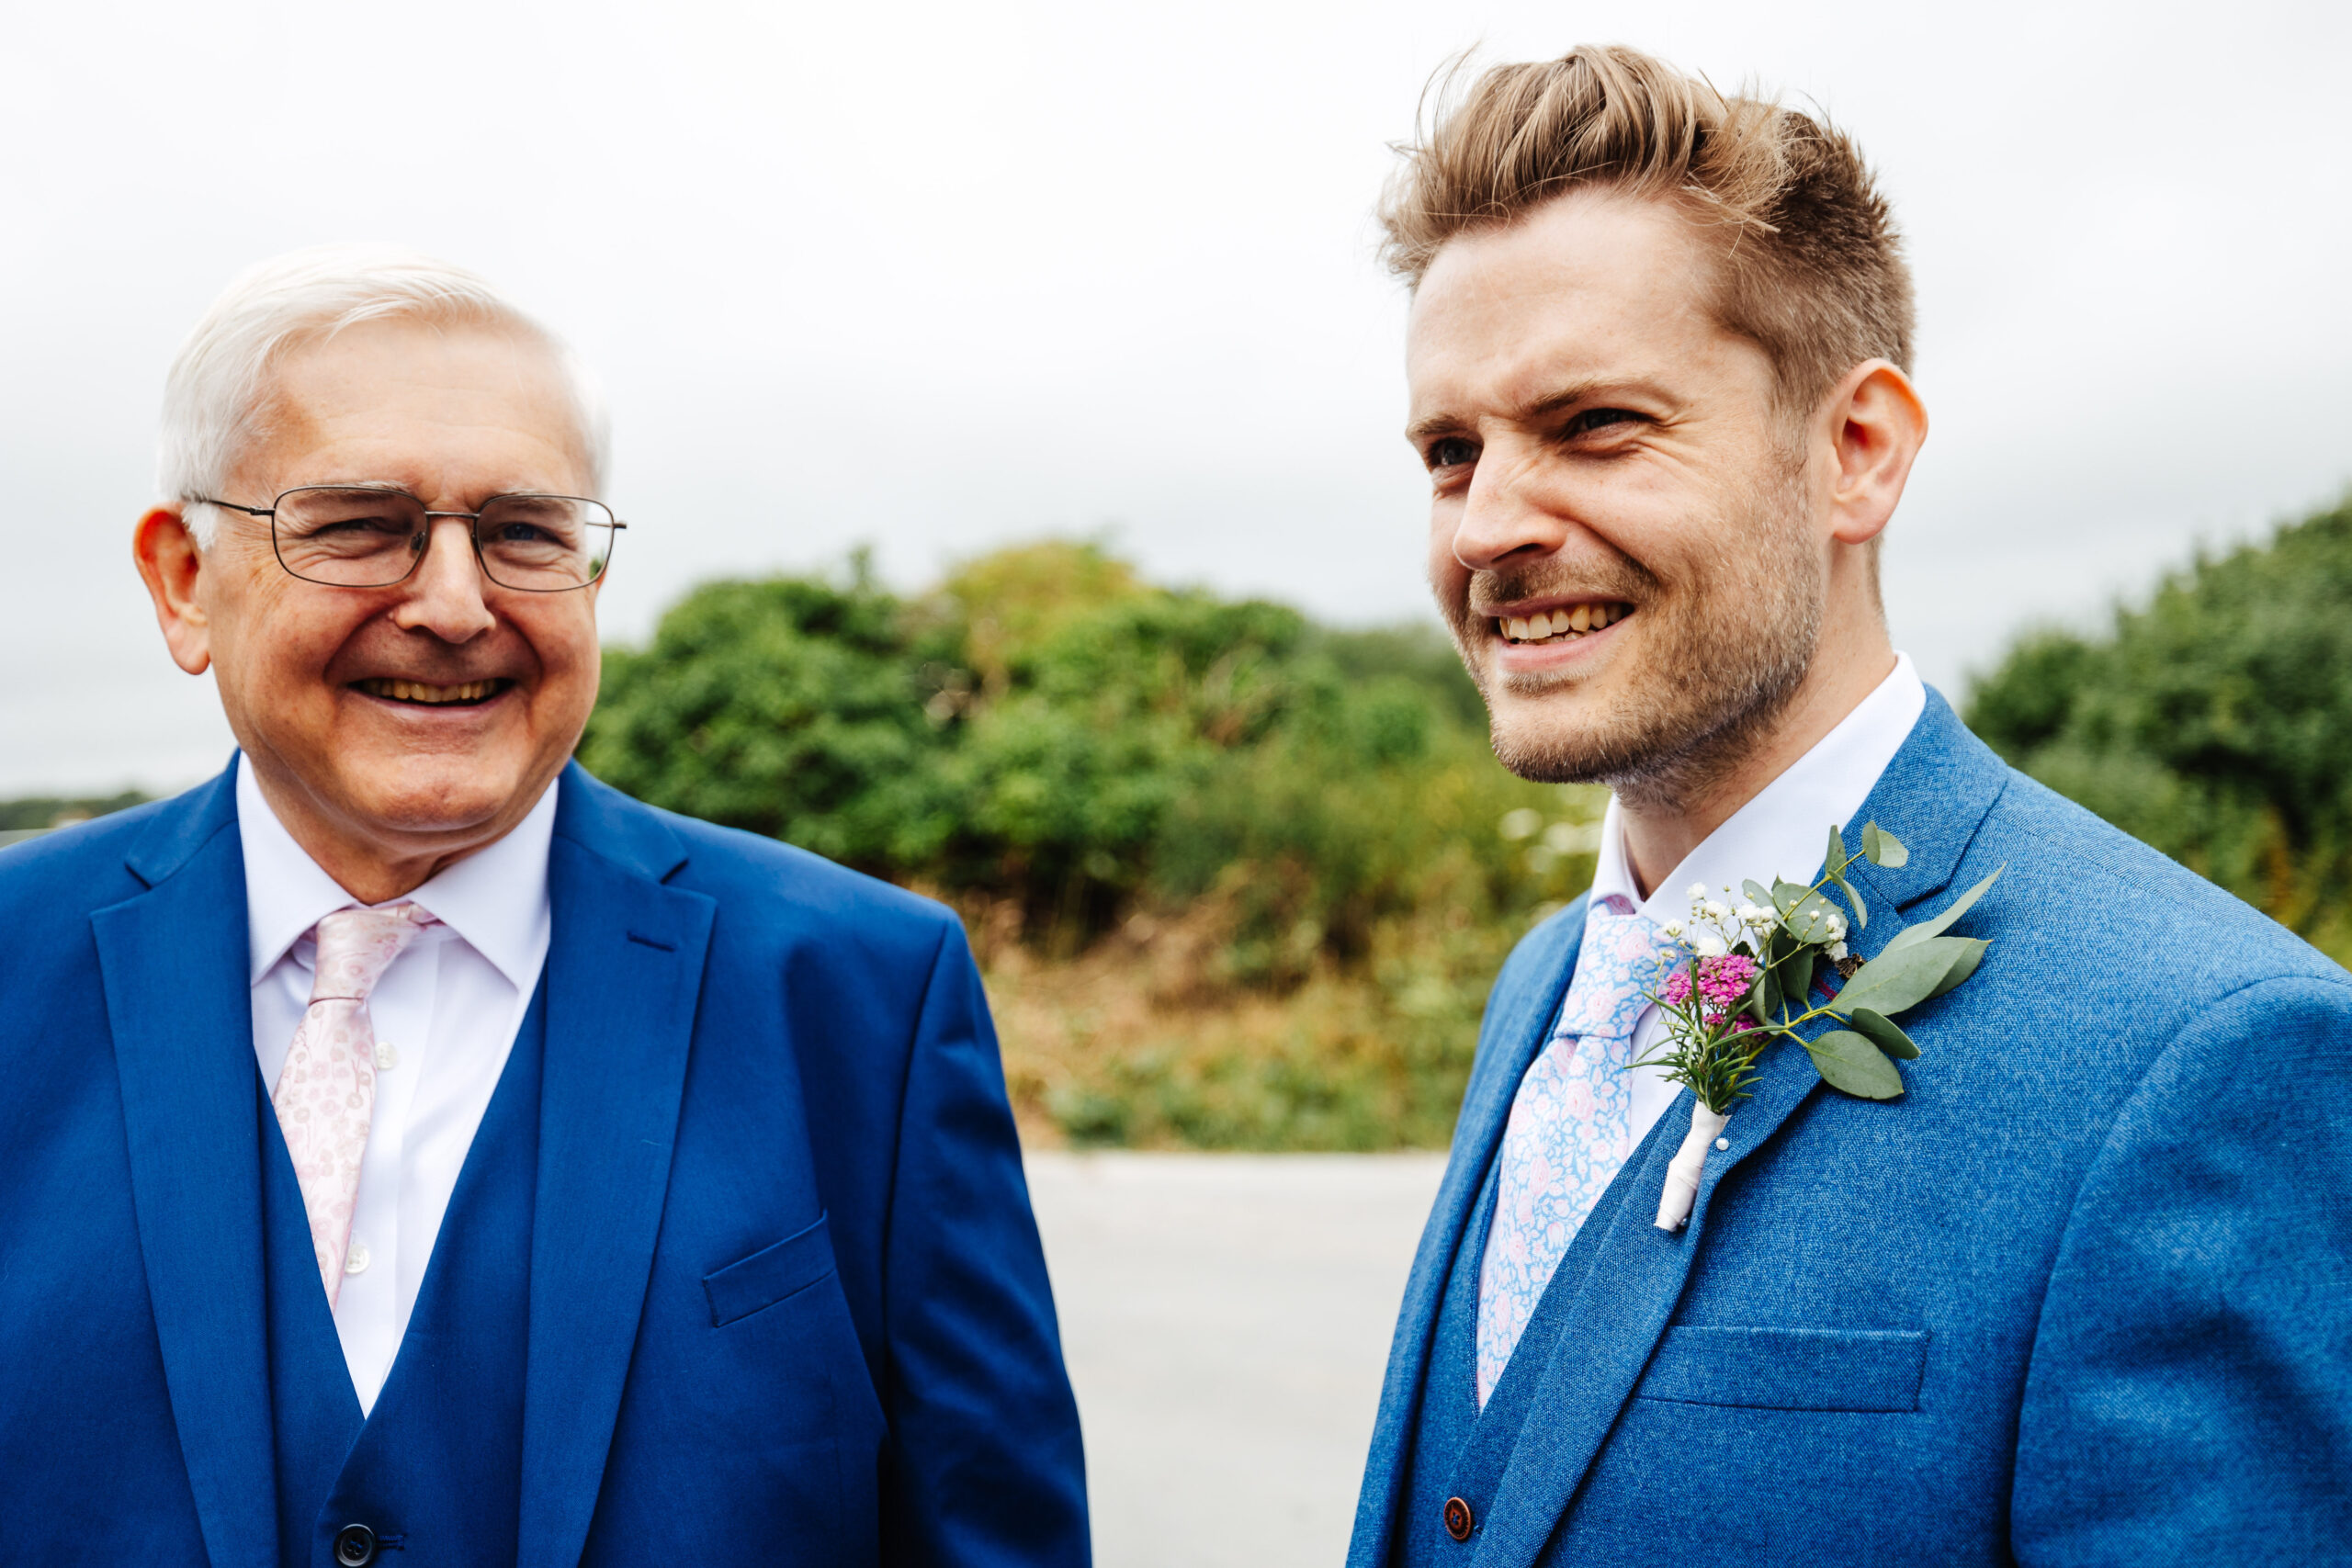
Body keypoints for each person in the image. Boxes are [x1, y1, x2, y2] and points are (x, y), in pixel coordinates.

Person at [1348, 45, 2352, 1568]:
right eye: (1449, 452)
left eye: (1596, 426)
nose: (1490, 527)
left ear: (1858, 451)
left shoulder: (2206, 1058)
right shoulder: (1542, 984)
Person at [0, 247, 1088, 1566]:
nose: (456, 605)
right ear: (183, 580)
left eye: (523, 534)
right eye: (357, 525)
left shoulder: (862, 997)